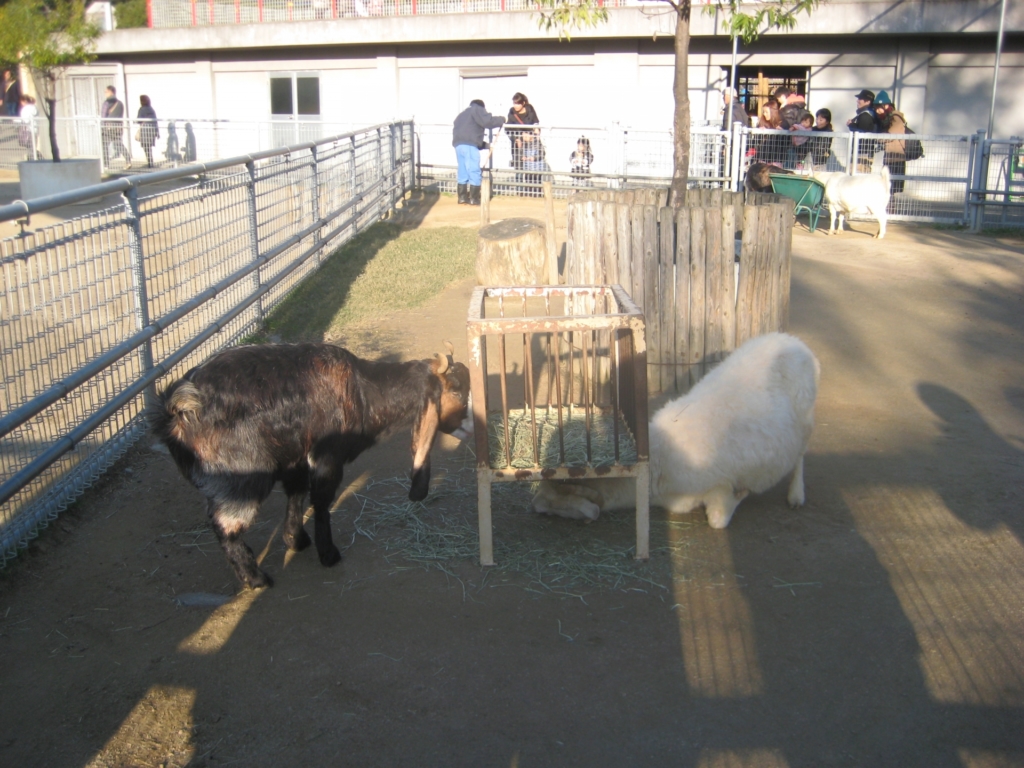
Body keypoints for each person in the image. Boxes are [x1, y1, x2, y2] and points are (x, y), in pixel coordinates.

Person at [452, 99, 505, 206]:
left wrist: (487, 145)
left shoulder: (461, 115)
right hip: (469, 145)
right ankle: (474, 199)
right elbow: (487, 121)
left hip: (458, 145)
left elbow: (469, 133)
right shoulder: (477, 110)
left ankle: (462, 197)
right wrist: (502, 119)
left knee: (462, 170)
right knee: (474, 170)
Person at [873, 90, 908, 195]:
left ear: (886, 106)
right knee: (887, 186)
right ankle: (890, 208)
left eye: (879, 107)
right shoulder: (888, 118)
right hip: (890, 156)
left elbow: (891, 134)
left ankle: (891, 210)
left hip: (896, 158)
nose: (877, 111)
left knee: (892, 188)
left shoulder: (896, 118)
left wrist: (878, 138)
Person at [506, 92, 541, 196]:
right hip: (518, 145)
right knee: (519, 168)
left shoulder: (530, 109)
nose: (515, 106)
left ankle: (534, 193)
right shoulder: (512, 112)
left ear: (523, 103)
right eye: (514, 103)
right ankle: (520, 193)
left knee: (532, 167)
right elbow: (508, 129)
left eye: (517, 103)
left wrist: (534, 135)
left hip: (531, 144)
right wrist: (517, 138)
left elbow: (536, 124)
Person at [847, 88, 877, 172]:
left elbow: (861, 132)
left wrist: (851, 125)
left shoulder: (865, 116)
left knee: (856, 178)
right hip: (864, 153)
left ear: (867, 102)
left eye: (860, 99)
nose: (857, 101)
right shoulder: (869, 114)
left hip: (861, 153)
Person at [751, 99, 788, 167]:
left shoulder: (783, 123)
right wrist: (760, 133)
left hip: (777, 158)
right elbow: (755, 141)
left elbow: (787, 142)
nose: (764, 114)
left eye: (766, 112)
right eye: (763, 112)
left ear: (773, 112)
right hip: (763, 158)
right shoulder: (762, 123)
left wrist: (782, 132)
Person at [100, 85, 129, 168]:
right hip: (117, 127)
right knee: (119, 144)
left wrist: (102, 127)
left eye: (106, 92)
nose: (105, 93)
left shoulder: (107, 103)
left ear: (111, 92)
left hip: (108, 128)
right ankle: (128, 160)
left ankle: (106, 165)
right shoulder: (120, 103)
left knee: (104, 145)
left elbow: (103, 116)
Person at [137, 94, 159, 168]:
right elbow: (155, 121)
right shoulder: (151, 109)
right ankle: (150, 162)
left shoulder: (142, 109)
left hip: (145, 130)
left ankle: (150, 162)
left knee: (146, 147)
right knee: (149, 146)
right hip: (152, 130)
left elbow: (138, 120)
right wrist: (157, 132)